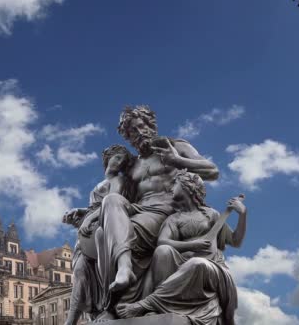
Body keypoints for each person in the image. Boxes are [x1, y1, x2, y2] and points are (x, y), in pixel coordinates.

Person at [89, 105, 219, 319]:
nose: (139, 133)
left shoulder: (176, 146)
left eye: (141, 127)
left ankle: (126, 292)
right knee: (107, 214)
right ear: (128, 138)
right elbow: (115, 191)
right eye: (132, 132)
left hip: (166, 210)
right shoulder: (132, 165)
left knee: (111, 234)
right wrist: (110, 174)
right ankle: (124, 271)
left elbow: (212, 171)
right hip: (139, 209)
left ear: (151, 126)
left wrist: (177, 160)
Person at [116, 171, 247, 325]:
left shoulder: (211, 215)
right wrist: (192, 245)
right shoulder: (174, 218)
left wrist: (242, 214)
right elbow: (162, 242)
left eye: (175, 184)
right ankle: (161, 307)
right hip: (183, 264)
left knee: (197, 263)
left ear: (187, 187)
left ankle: (146, 304)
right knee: (163, 251)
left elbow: (236, 241)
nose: (171, 188)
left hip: (211, 269)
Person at [63, 144, 134, 325]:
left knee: (93, 263)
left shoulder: (120, 181)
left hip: (104, 226)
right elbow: (95, 206)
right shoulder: (101, 183)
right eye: (117, 158)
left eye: (123, 161)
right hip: (87, 235)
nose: (119, 163)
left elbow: (110, 202)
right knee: (79, 272)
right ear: (107, 158)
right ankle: (71, 320)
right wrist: (79, 212)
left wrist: (88, 218)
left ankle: (106, 306)